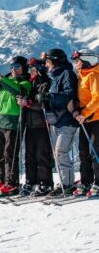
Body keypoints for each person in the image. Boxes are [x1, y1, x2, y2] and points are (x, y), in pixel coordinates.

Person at [0, 56, 31, 196]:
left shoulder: (25, 83)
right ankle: (2, 178)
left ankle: (12, 182)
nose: (13, 69)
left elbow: (16, 89)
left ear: (23, 68)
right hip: (0, 120)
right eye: (12, 66)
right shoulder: (6, 79)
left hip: (14, 121)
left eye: (17, 66)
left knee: (10, 153)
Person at [39, 49, 79, 196]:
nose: (46, 64)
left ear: (55, 61)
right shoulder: (55, 75)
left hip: (67, 120)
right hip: (57, 120)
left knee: (61, 151)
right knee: (57, 153)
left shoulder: (66, 74)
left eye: (48, 61)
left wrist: (50, 97)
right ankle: (63, 182)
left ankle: (67, 184)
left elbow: (69, 93)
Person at [17, 58, 54, 196]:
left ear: (39, 70)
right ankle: (31, 180)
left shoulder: (46, 83)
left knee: (42, 155)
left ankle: (46, 183)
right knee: (30, 155)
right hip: (30, 124)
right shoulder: (32, 83)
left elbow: (45, 104)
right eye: (30, 69)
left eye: (33, 69)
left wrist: (28, 103)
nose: (30, 72)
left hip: (42, 124)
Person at [70, 49, 99, 197]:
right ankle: (86, 181)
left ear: (87, 61)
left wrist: (84, 113)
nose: (76, 63)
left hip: (95, 119)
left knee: (94, 152)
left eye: (78, 61)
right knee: (83, 152)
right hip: (85, 119)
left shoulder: (93, 75)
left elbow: (97, 99)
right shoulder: (82, 76)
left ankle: (98, 182)